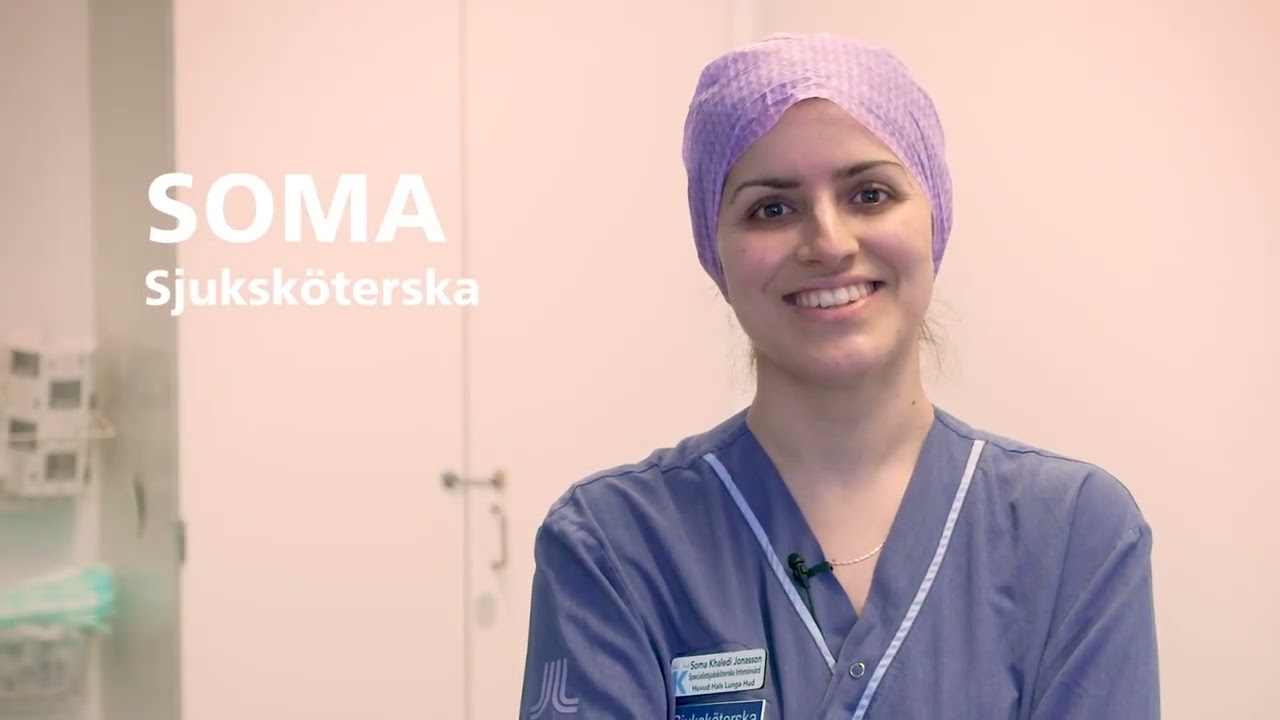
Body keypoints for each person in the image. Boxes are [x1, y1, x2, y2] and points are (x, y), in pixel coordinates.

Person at [518, 32, 1159, 720]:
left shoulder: (1074, 534)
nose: (828, 243)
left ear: (935, 220)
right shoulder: (614, 546)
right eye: (772, 208)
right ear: (715, 250)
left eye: (870, 194)